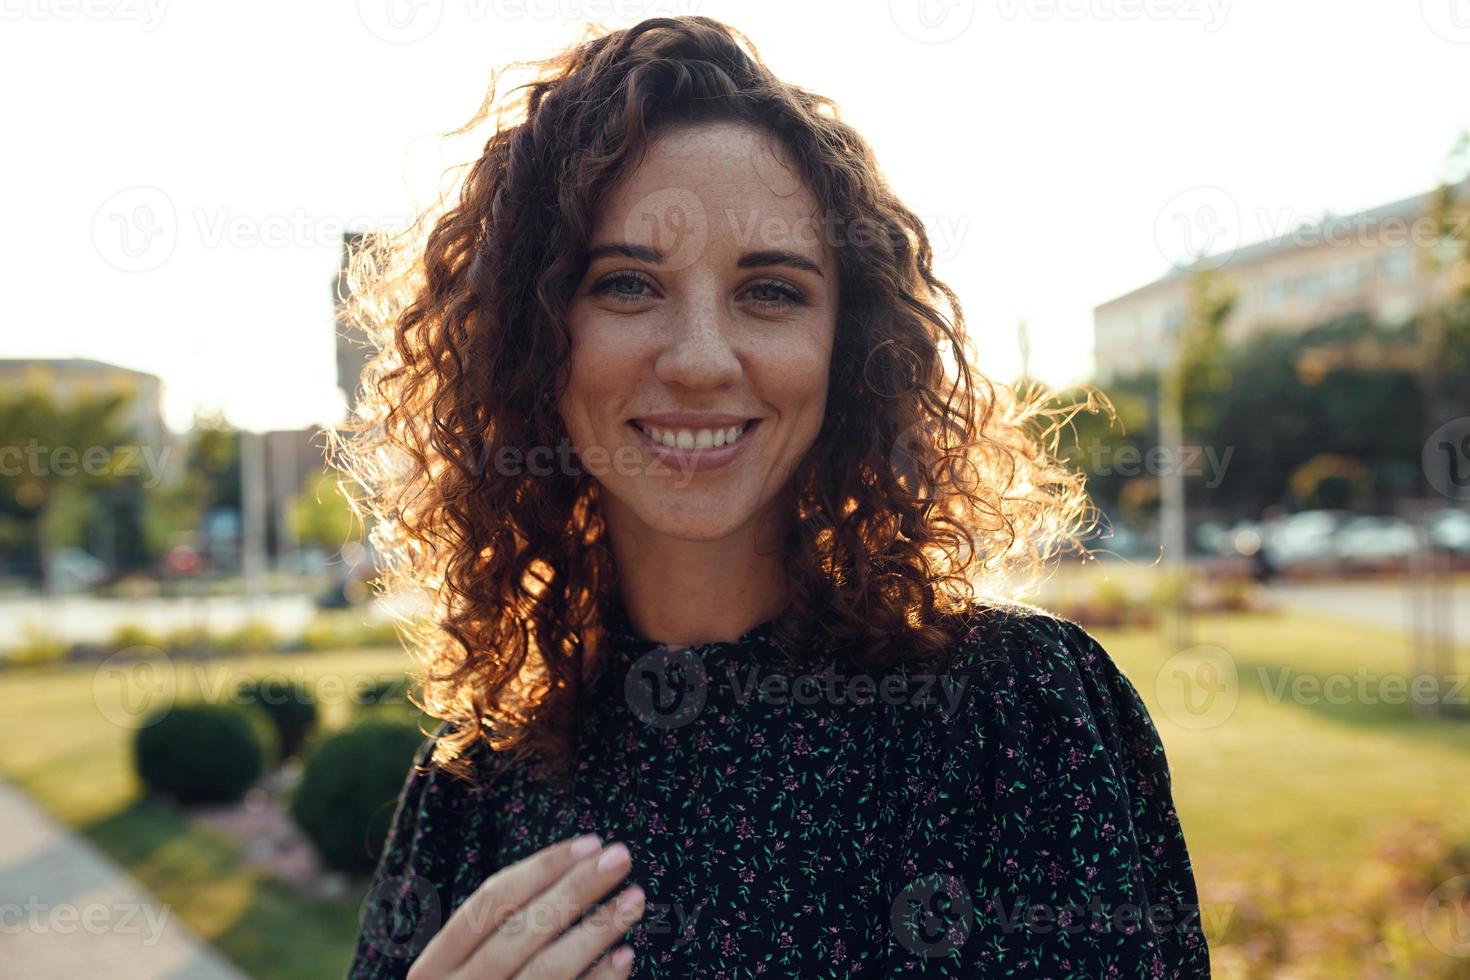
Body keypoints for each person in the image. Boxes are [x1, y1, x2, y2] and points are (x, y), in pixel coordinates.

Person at [330, 15, 1209, 979]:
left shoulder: (1011, 711)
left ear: (854, 346)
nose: (702, 359)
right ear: (531, 343)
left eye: (771, 292)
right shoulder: (471, 789)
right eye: (626, 284)